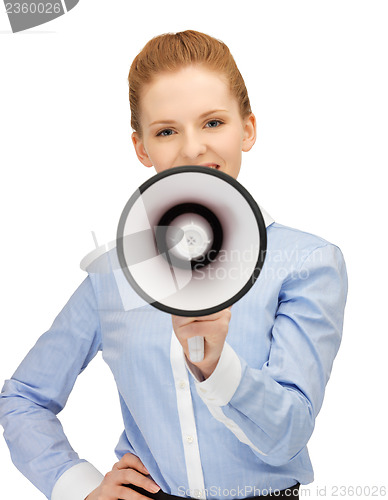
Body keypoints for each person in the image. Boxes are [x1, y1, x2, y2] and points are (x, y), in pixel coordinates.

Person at [0, 30, 347, 500]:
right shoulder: (113, 276)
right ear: (142, 147)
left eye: (213, 122)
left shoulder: (305, 263)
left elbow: (288, 435)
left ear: (247, 128)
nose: (192, 150)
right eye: (166, 131)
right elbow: (22, 398)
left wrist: (217, 366)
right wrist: (77, 486)